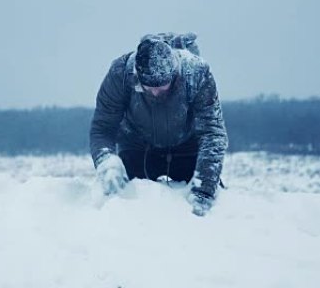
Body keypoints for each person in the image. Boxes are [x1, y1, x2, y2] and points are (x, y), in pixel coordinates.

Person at [89, 33, 229, 216]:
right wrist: (106, 161)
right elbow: (103, 127)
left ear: (174, 75)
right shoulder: (120, 74)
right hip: (137, 147)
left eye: (162, 86)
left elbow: (212, 133)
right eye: (149, 87)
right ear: (137, 76)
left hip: (187, 147)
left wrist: (204, 190)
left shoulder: (197, 73)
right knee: (116, 201)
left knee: (214, 202)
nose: (155, 93)